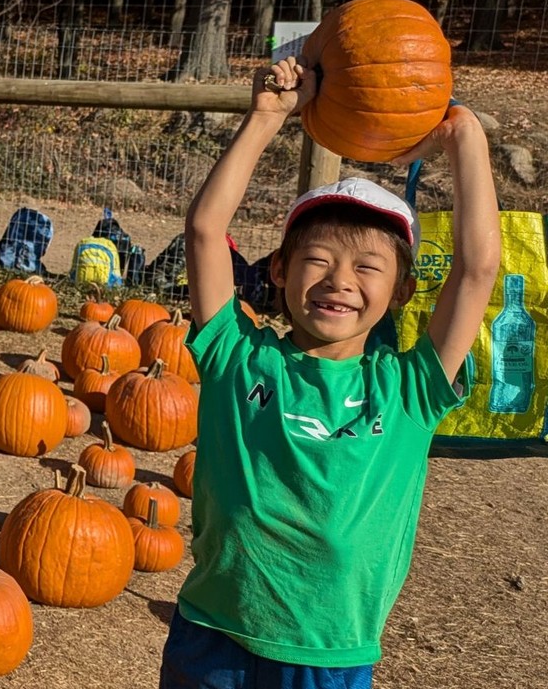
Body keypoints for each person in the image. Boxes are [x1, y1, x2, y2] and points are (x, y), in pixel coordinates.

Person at [159, 55, 501, 689]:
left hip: (330, 658)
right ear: (282, 271)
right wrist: (266, 118)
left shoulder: (406, 392)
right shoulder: (239, 359)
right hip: (211, 640)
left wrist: (465, 139)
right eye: (317, 260)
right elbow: (207, 231)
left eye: (368, 268)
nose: (340, 281)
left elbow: (476, 270)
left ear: (399, 292)